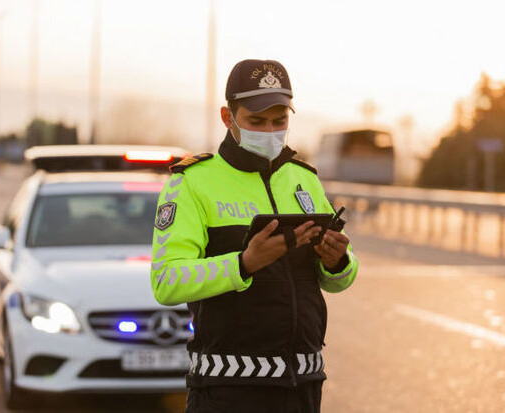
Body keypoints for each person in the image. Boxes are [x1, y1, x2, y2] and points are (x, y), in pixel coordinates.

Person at [150, 59, 358, 413]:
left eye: (280, 121)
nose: (270, 131)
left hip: (303, 386)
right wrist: (243, 264)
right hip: (228, 389)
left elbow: (338, 280)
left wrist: (337, 261)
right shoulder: (192, 182)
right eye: (256, 121)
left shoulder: (303, 178)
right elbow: (166, 282)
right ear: (227, 117)